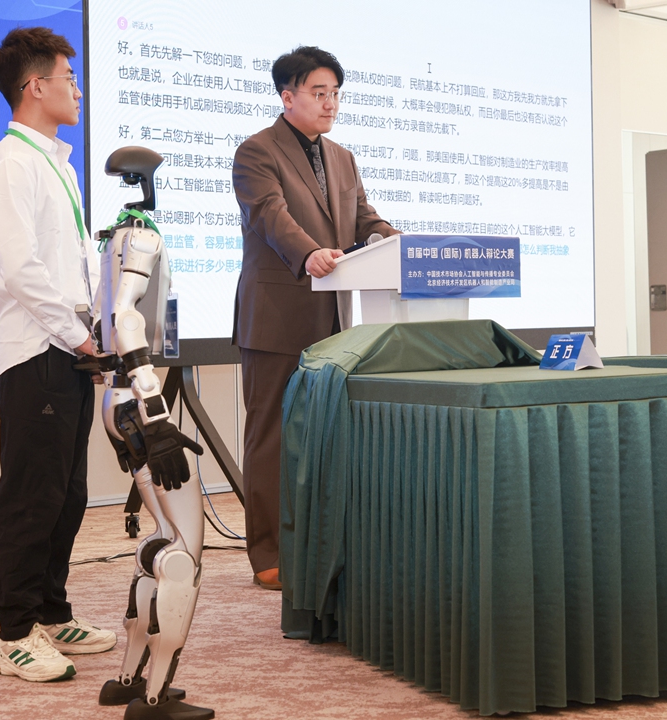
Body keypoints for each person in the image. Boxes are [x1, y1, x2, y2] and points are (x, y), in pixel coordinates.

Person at [232, 46, 398, 591]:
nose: (330, 104)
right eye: (318, 93)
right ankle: (269, 553)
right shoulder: (257, 152)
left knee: (326, 433)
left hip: (336, 319)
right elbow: (269, 215)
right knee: (272, 435)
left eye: (335, 94)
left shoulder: (343, 157)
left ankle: (320, 542)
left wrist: (401, 244)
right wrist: (308, 253)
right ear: (288, 96)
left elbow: (364, 219)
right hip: (277, 313)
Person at [0, 26, 116, 682]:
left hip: (69, 347)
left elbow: (67, 267)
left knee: (68, 492)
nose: (78, 88)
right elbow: (21, 270)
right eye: (68, 76)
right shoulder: (11, 163)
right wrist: (78, 335)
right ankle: (12, 634)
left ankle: (51, 611)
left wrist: (92, 331)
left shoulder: (53, 162)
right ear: (35, 87)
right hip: (39, 350)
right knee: (33, 492)